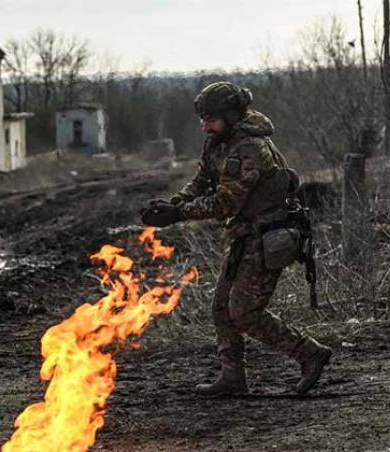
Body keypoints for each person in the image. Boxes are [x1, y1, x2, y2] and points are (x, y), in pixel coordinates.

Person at [140, 81, 332, 396]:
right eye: (203, 119)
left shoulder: (251, 149)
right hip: (245, 235)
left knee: (244, 313)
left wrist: (178, 215)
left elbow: (226, 202)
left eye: (211, 118)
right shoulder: (219, 142)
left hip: (268, 235)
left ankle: (309, 354)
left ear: (231, 115)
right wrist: (173, 203)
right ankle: (232, 379)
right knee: (220, 308)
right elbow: (202, 180)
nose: (205, 126)